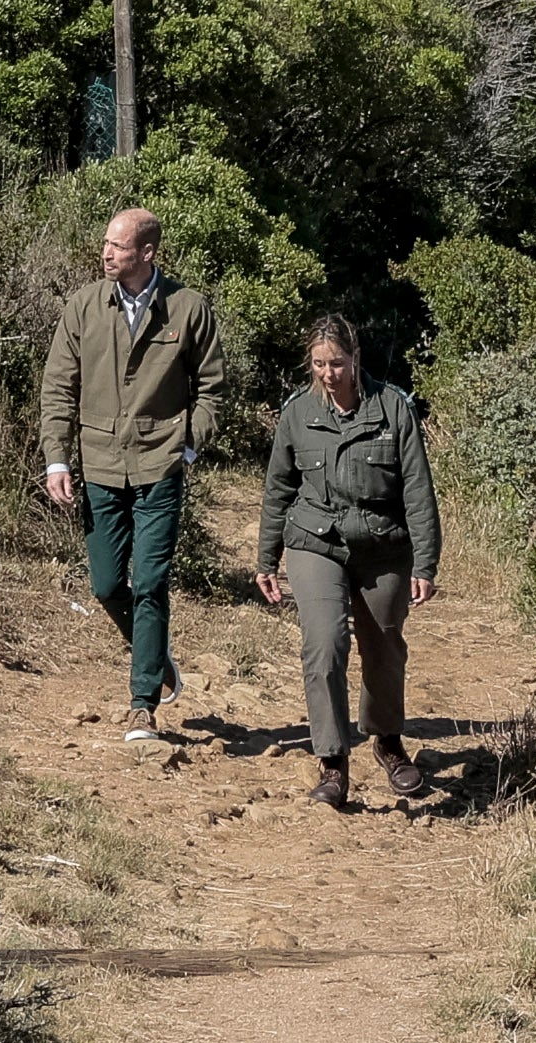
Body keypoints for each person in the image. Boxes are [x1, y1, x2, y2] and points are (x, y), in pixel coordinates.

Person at [36, 203, 228, 745]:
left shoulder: (188, 308)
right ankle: (157, 656)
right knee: (104, 584)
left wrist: (188, 446)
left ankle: (142, 705)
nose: (106, 253)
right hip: (99, 463)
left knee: (149, 582)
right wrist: (57, 458)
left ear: (147, 252)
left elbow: (212, 389)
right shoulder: (83, 307)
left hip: (161, 464)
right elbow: (58, 388)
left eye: (117, 246)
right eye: (105, 243)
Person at [254, 307, 440, 811]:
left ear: (355, 358)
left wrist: (425, 564)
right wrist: (267, 558)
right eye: (318, 364)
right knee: (324, 644)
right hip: (315, 542)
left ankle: (387, 742)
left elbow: (418, 491)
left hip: (383, 547)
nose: (328, 374)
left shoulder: (393, 409)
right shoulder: (297, 413)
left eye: (336, 363)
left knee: (383, 647)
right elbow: (278, 489)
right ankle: (333, 762)